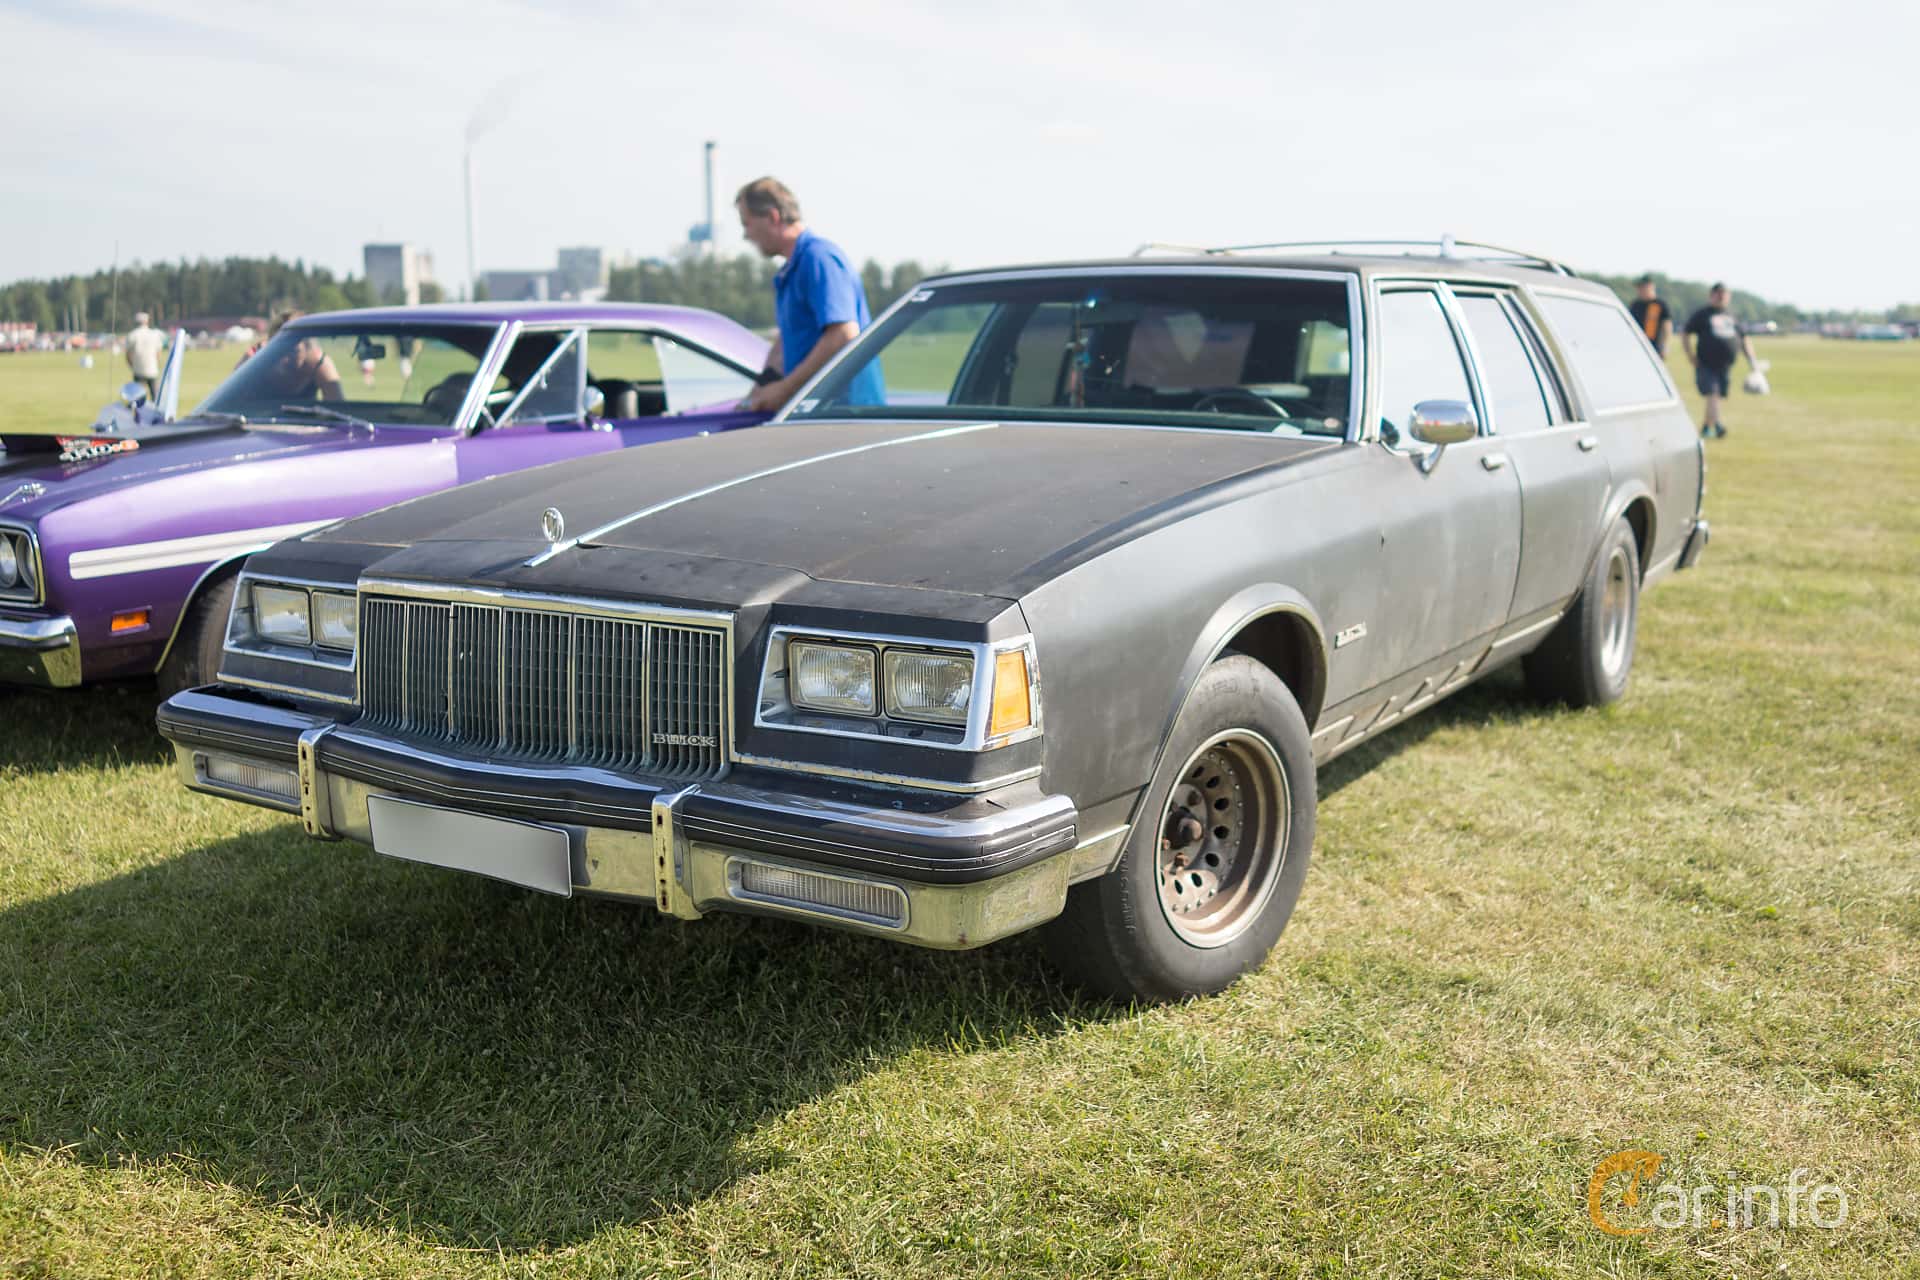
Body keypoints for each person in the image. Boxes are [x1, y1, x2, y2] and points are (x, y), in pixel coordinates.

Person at [735, 177, 885, 412]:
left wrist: (784, 390)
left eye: (747, 223)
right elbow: (785, 343)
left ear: (773, 217)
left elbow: (843, 334)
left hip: (847, 413)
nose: (746, 235)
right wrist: (756, 394)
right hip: (817, 411)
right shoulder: (790, 270)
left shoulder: (819, 258)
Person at [1683, 283, 1758, 439]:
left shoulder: (1732, 316)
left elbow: (1744, 339)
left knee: (1717, 396)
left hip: (1725, 365)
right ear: (1711, 295)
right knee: (1712, 392)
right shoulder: (1703, 314)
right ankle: (1716, 425)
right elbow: (1686, 333)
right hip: (1706, 362)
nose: (1721, 296)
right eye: (1717, 293)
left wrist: (1752, 361)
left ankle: (1706, 426)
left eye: (1723, 294)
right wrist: (1690, 355)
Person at [263, 334, 344, 401]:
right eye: (278, 351)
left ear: (307, 350)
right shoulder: (261, 360)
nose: (285, 360)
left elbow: (338, 407)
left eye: (293, 352)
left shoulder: (316, 362)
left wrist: (323, 367)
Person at [1628, 274, 1674, 357]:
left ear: (1650, 287)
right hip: (1636, 346)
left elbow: (1667, 326)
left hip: (1654, 347)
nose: (1639, 290)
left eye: (1642, 287)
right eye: (1639, 288)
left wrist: (1664, 345)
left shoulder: (1659, 304)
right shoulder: (1635, 305)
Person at [124, 312, 166, 399]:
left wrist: (132, 366)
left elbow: (128, 354)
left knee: (138, 397)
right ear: (147, 322)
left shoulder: (132, 335)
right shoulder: (154, 334)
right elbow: (158, 353)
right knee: (155, 396)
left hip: (138, 370)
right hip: (152, 369)